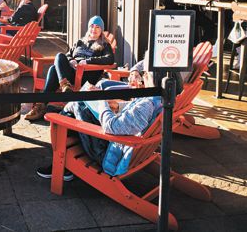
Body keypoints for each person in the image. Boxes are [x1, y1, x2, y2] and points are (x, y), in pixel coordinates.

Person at [35, 55, 169, 180]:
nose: (142, 76)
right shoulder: (159, 101)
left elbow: (112, 126)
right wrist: (115, 105)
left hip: (108, 155)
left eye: (145, 74)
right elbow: (132, 117)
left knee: (75, 106)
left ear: (151, 79)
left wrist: (101, 99)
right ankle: (65, 116)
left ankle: (60, 165)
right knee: (81, 102)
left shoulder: (146, 105)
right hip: (121, 145)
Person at [25, 16, 115, 121]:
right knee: (58, 59)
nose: (94, 29)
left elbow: (110, 59)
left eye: (97, 27)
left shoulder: (104, 45)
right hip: (72, 72)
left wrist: (88, 61)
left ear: (101, 30)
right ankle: (64, 87)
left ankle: (41, 105)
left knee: (53, 69)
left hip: (86, 75)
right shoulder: (81, 42)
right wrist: (71, 60)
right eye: (92, 26)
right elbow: (68, 55)